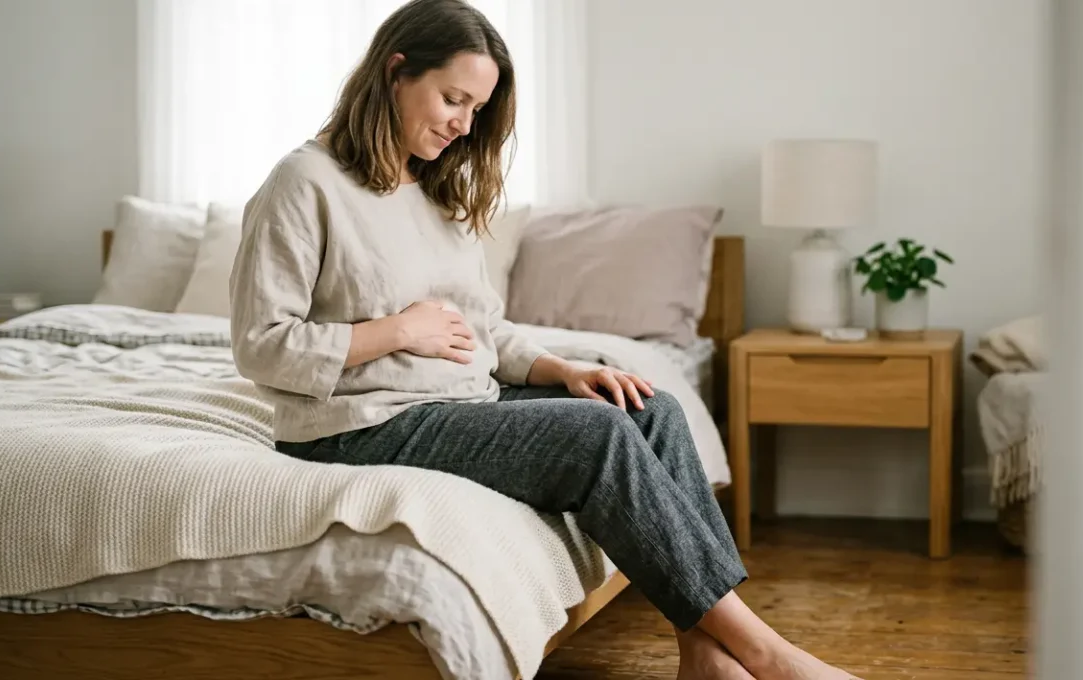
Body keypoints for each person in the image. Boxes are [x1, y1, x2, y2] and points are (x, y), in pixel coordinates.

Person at [228, 1, 857, 678]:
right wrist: (398, 331)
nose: (463, 125)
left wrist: (563, 369)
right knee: (598, 437)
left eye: (476, 110)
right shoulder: (306, 181)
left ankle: (702, 649)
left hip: (456, 402)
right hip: (358, 424)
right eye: (453, 100)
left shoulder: (435, 187)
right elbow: (261, 344)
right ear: (395, 71)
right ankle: (765, 652)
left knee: (648, 409)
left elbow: (484, 328)